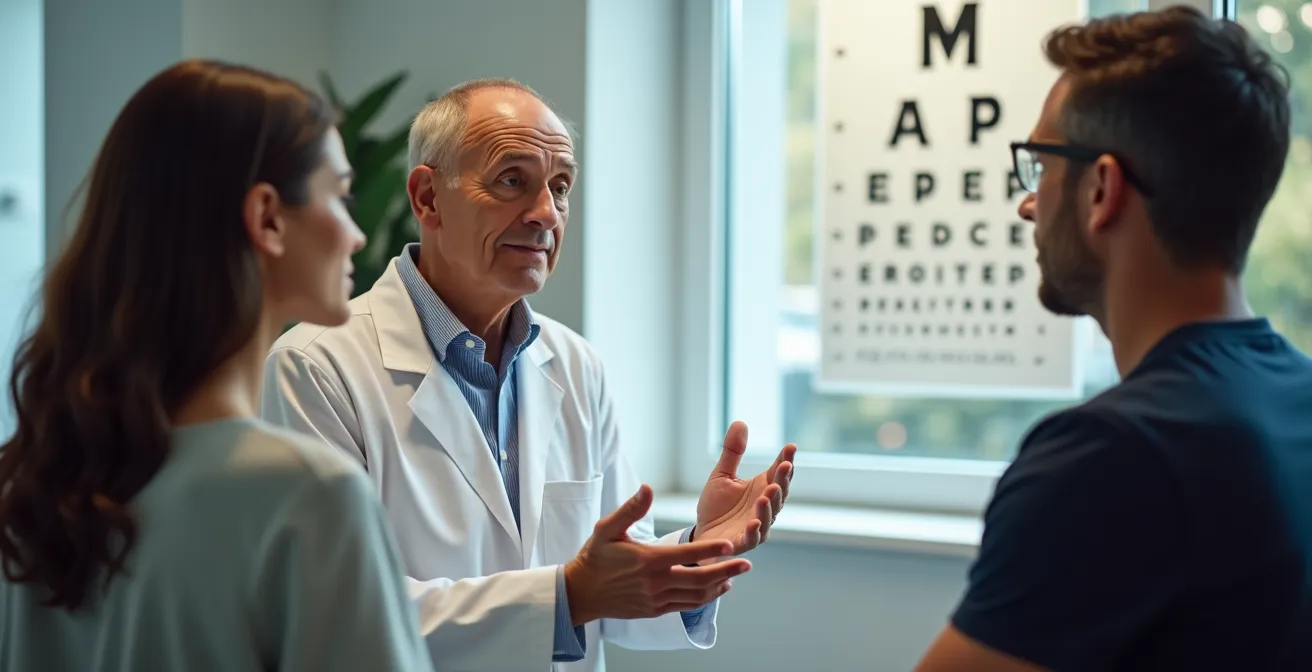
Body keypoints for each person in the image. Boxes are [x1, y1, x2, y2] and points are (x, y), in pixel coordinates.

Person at [261, 77, 796, 671]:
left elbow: (610, 581)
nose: (546, 214)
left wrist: (699, 548)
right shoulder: (316, 368)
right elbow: (340, 618)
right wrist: (567, 595)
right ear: (427, 199)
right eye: (512, 180)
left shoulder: (575, 364)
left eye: (560, 187)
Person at [914, 7, 1311, 671]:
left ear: (1102, 189)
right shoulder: (1297, 398)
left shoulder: (1113, 457)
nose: (1027, 204)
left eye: (1040, 166)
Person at [0, 60, 432, 672]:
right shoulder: (309, 498)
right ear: (268, 218)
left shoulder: (28, 487)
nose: (358, 235)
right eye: (341, 196)